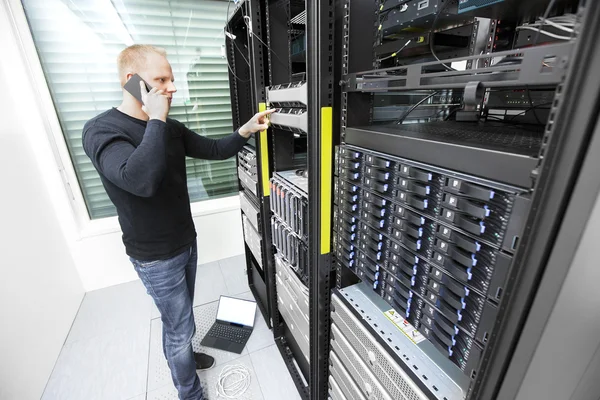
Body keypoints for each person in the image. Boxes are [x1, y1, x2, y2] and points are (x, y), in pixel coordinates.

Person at [82, 44, 273, 400]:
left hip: (186, 241)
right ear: (131, 81)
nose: (171, 87)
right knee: (178, 326)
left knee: (181, 317)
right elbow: (140, 180)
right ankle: (190, 392)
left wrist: (245, 130)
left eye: (171, 78)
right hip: (155, 256)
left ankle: (183, 355)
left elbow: (214, 149)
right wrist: (155, 118)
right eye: (161, 79)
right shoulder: (102, 131)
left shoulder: (169, 128)